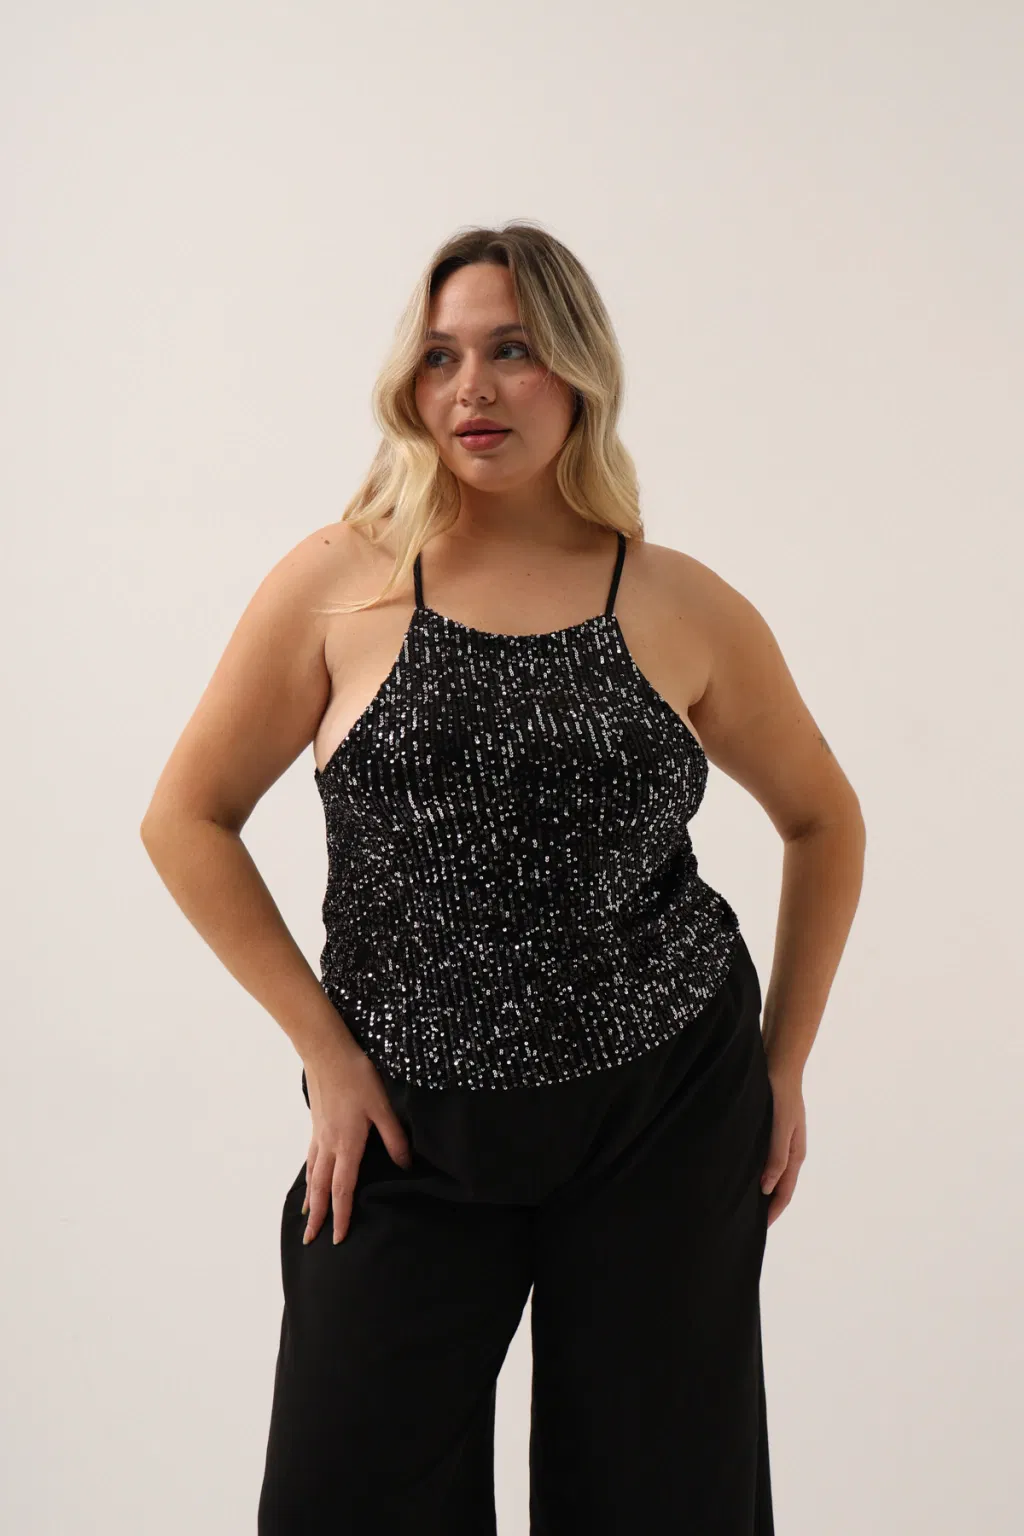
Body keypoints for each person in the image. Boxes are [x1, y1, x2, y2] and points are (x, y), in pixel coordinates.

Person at [140, 221, 866, 1535]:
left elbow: (824, 819)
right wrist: (328, 1057)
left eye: (513, 351)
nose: (472, 388)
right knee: (345, 1494)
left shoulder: (681, 603)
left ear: (580, 371)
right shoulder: (341, 582)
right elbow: (187, 819)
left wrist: (784, 1063)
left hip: (663, 1110)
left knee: (664, 1503)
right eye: (441, 355)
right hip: (401, 1123)